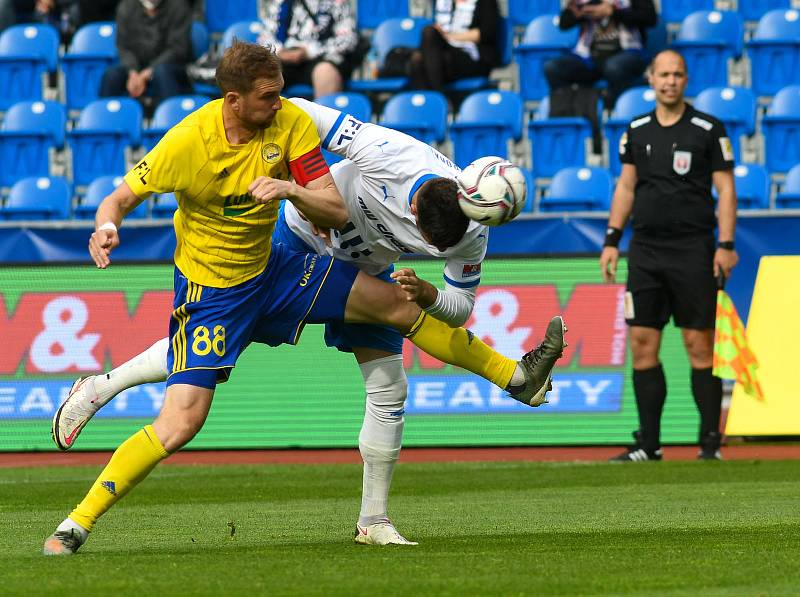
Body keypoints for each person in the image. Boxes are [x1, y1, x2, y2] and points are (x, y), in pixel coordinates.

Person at [43, 41, 566, 556]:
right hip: (230, 280)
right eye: (267, 95)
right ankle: (78, 515)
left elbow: (340, 212)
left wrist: (427, 289)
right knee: (183, 420)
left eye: (280, 94)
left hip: (293, 267)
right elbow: (120, 195)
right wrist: (108, 224)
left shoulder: (291, 126)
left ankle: (505, 389)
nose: (279, 104)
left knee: (394, 352)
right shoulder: (201, 143)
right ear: (235, 98)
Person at [599, 49, 738, 462]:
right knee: (642, 342)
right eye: (663, 74)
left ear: (686, 80)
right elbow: (626, 187)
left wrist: (726, 245)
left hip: (694, 248)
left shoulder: (708, 129)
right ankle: (649, 444)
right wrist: (612, 238)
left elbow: (726, 190)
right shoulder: (636, 130)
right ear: (651, 79)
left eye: (677, 74)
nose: (670, 81)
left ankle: (710, 444)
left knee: (699, 342)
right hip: (645, 250)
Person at [543, 0, 657, 109]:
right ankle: (572, 116)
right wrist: (577, 13)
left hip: (628, 52)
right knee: (553, 68)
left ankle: (615, 113)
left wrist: (613, 12)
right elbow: (563, 23)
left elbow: (650, 18)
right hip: (588, 57)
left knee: (614, 67)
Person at [100, 0, 193, 108]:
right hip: (136, 67)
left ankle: (171, 119)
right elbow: (123, 47)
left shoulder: (178, 6)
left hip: (170, 66)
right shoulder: (126, 6)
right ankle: (106, 119)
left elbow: (178, 49)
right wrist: (132, 71)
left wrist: (148, 72)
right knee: (111, 76)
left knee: (162, 72)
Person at [257, 0, 359, 98]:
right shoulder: (279, 2)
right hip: (283, 58)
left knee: (325, 73)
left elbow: (348, 39)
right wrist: (279, 51)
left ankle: (321, 115)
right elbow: (264, 37)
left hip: (322, 58)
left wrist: (309, 51)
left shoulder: (337, 2)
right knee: (261, 73)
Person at [408, 0, 499, 93]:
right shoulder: (443, 2)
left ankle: (439, 99)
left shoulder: (486, 2)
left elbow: (486, 34)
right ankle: (439, 101)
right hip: (444, 55)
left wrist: (448, 37)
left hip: (473, 56)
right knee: (418, 59)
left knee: (426, 44)